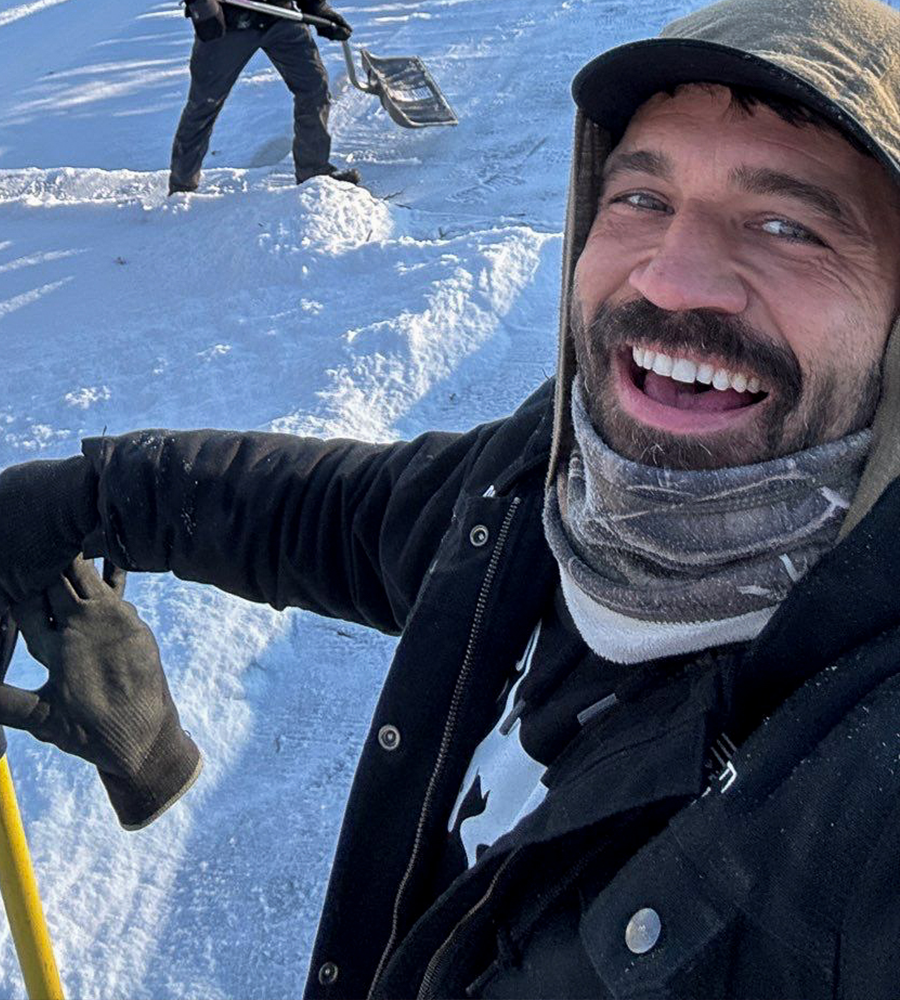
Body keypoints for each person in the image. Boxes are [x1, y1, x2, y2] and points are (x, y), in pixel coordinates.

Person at [0, 0, 899, 995]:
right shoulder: (544, 487)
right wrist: (82, 496)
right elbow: (336, 513)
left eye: (789, 225)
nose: (674, 277)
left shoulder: (866, 768)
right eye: (640, 198)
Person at [169, 0, 359, 195]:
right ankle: (182, 187)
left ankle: (314, 174)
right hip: (228, 21)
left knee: (313, 88)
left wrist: (317, 7)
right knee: (204, 103)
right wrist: (202, 6)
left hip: (280, 16)